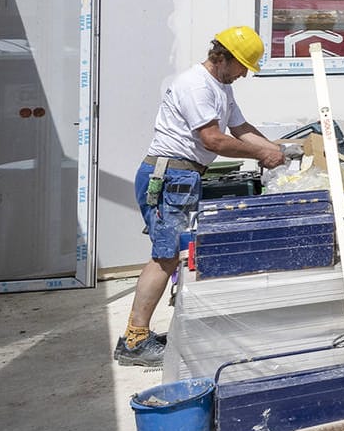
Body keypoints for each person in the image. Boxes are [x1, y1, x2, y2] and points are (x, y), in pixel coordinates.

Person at [116, 26, 286, 366]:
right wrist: (261, 155)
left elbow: (240, 129)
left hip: (184, 176)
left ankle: (139, 335)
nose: (243, 75)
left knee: (171, 255)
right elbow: (214, 140)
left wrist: (276, 148)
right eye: (242, 67)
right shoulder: (196, 85)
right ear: (222, 57)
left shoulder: (220, 87)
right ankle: (134, 340)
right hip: (169, 176)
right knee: (164, 257)